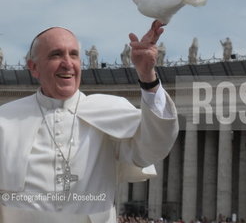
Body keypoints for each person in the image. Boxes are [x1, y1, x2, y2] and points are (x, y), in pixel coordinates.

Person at [0, 21, 178, 223]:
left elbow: (153, 146)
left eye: (74, 54)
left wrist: (148, 77)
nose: (68, 63)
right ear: (33, 67)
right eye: (56, 54)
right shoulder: (4, 120)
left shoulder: (108, 110)